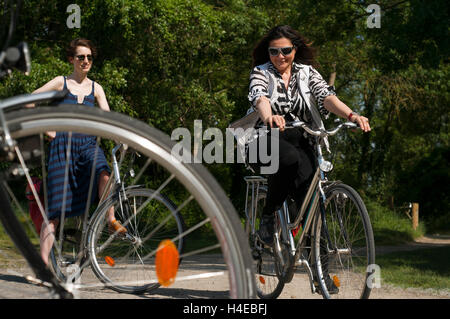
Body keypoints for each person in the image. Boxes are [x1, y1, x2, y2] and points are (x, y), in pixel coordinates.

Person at [247, 26, 370, 292]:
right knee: (288, 159)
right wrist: (269, 117)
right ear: (268, 52)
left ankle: (321, 273)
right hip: (264, 139)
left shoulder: (307, 72)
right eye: (274, 51)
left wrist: (352, 116)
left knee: (313, 206)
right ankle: (268, 216)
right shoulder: (261, 72)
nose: (280, 56)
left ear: (295, 49)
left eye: (286, 50)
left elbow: (327, 97)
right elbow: (260, 97)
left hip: (302, 138)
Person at [29, 38, 127, 265]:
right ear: (72, 59)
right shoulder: (60, 82)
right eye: (81, 57)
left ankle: (111, 218)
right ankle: (43, 265)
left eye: (89, 57)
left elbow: (109, 120)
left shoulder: (96, 88)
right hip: (62, 149)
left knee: (104, 172)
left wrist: (122, 140)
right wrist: (46, 129)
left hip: (88, 146)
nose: (86, 61)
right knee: (54, 212)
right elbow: (31, 100)